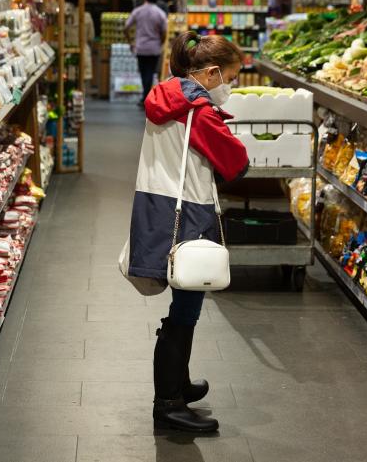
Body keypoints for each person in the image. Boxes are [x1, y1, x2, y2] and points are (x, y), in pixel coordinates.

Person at [126, 31, 249, 433]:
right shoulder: (199, 110)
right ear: (212, 74)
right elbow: (234, 163)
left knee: (183, 302)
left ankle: (178, 383)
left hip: (157, 202)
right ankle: (168, 404)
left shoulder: (167, 94)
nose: (230, 85)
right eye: (230, 77)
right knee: (187, 307)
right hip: (188, 209)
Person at [125, 0, 168, 106]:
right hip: (154, 47)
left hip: (141, 47)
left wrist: (130, 42)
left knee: (143, 72)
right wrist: (161, 42)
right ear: (157, 0)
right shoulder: (160, 13)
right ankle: (147, 96)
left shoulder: (138, 11)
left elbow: (126, 27)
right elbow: (164, 32)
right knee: (151, 71)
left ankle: (145, 96)